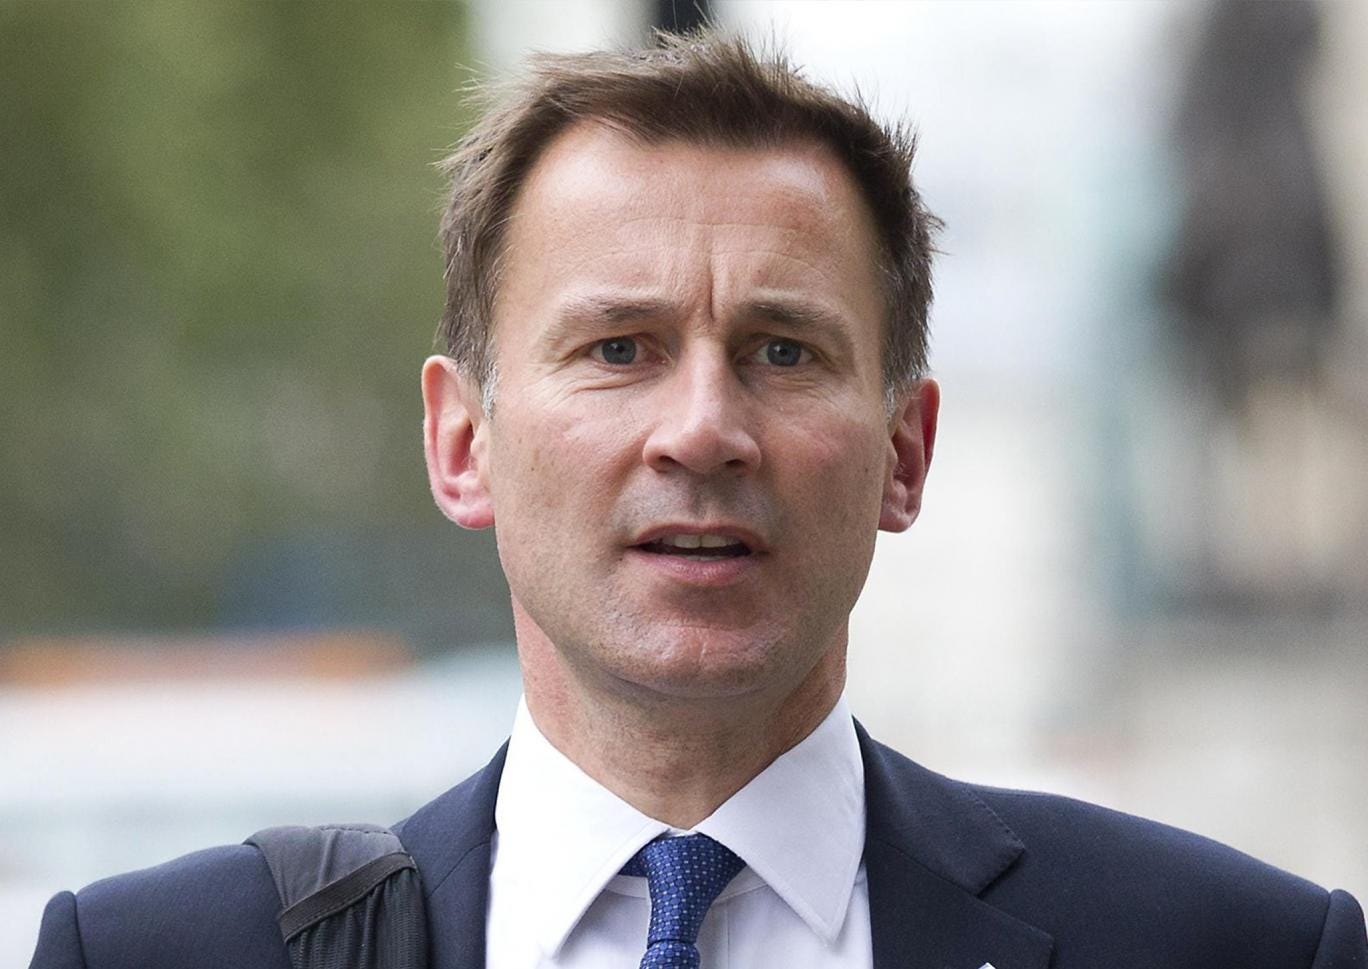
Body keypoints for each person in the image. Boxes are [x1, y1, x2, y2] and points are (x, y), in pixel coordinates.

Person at [28, 31, 1368, 969]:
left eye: (784, 351)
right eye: (619, 348)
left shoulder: (1228, 948)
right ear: (460, 442)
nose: (704, 428)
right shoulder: (154, 955)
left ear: (906, 450)